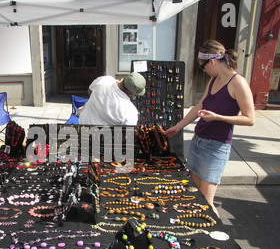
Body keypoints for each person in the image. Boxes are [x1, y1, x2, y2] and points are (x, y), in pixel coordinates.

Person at [164, 40, 255, 217]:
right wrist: (178, 127)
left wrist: (217, 117)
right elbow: (199, 106)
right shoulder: (214, 80)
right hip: (199, 141)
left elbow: (250, 119)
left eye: (203, 66)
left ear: (212, 61)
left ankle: (216, 238)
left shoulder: (238, 83)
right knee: (194, 193)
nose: (203, 71)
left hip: (216, 146)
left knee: (206, 201)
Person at [78, 72, 146, 125]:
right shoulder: (130, 111)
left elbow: (90, 91)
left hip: (83, 124)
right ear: (131, 93)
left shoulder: (104, 80)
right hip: (103, 138)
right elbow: (127, 133)